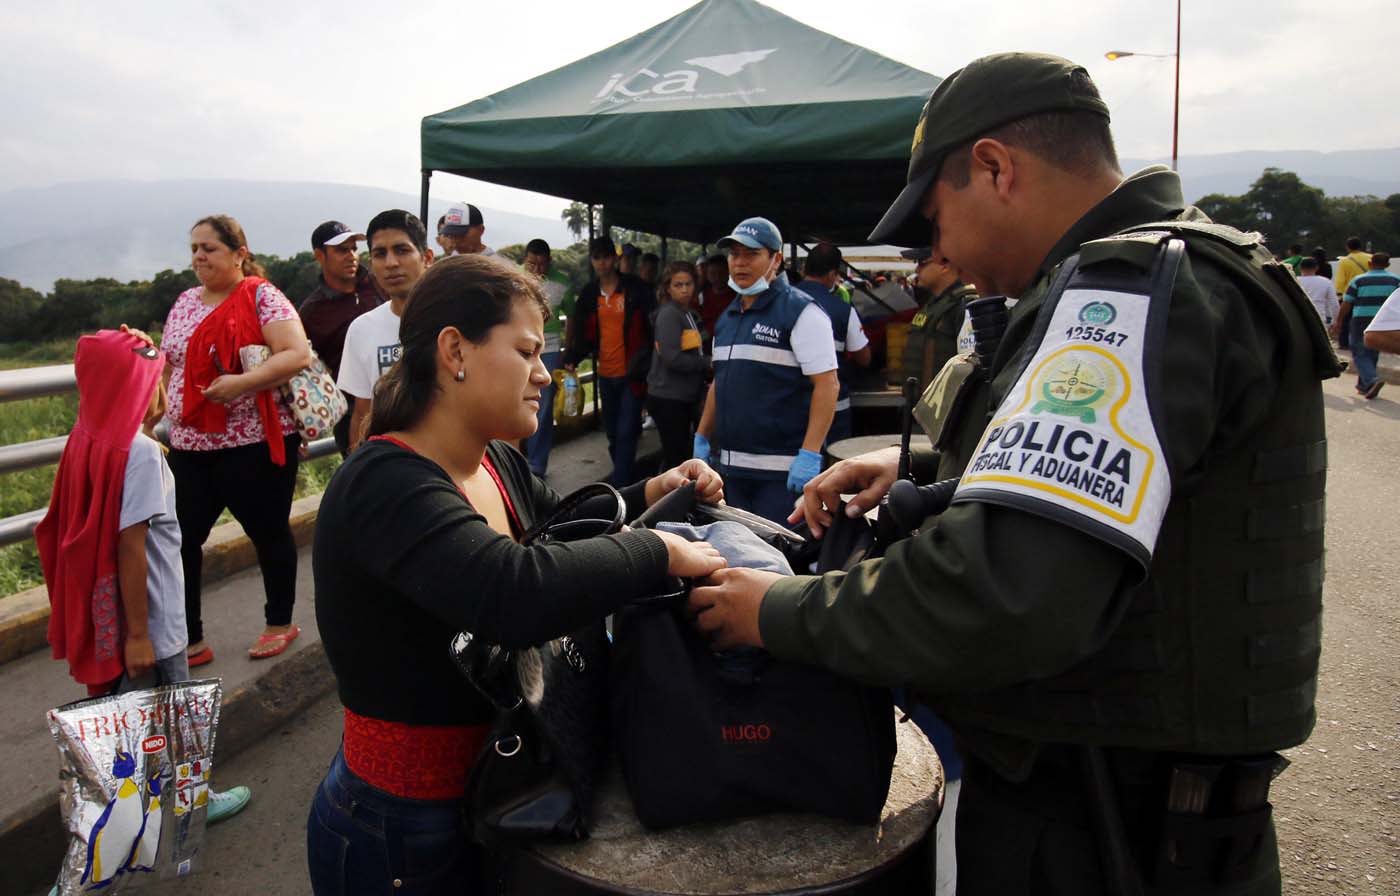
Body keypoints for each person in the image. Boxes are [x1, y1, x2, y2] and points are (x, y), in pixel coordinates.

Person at [687, 53, 1338, 896]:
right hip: (1122, 806)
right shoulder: (1154, 281)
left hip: (1109, 827)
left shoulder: (1126, 297)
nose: (941, 248)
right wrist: (940, 477)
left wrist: (775, 612)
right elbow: (1130, 503)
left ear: (995, 167)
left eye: (936, 217)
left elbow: (1004, 592)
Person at [305, 253, 727, 896]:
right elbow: (513, 590)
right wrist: (659, 552)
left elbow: (561, 533)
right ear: (455, 351)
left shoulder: (494, 459)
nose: (544, 373)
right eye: (527, 352)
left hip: (496, 793)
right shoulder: (384, 483)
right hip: (398, 824)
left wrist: (651, 495)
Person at [35, 331, 252, 894]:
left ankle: (175, 811)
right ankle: (96, 863)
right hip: (153, 622)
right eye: (154, 383)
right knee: (162, 730)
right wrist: (139, 635)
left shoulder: (89, 438)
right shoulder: (141, 454)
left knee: (128, 730)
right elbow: (133, 544)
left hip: (119, 618)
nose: (163, 393)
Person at [162, 215, 312, 666]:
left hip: (253, 444)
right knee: (180, 540)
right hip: (189, 445)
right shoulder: (186, 301)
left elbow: (297, 352)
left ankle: (280, 622)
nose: (199, 257)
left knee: (267, 533)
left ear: (239, 253)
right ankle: (189, 637)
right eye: (194, 249)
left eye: (209, 248)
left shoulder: (262, 297)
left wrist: (241, 383)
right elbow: (170, 362)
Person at [694, 217, 839, 524]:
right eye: (734, 255)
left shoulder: (801, 313)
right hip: (731, 472)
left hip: (782, 476)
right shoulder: (728, 319)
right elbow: (720, 383)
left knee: (776, 564)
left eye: (752, 254)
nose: (740, 263)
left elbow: (827, 386)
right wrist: (702, 437)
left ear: (776, 259)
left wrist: (810, 455)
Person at [338, 210, 434, 452]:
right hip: (391, 465)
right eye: (380, 254)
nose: (391, 263)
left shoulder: (460, 320)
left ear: (427, 257)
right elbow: (363, 410)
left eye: (402, 250)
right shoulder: (361, 329)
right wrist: (356, 465)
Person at [563, 236, 655, 485]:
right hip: (606, 374)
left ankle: (622, 484)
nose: (602, 263)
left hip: (632, 374)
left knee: (626, 432)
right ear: (592, 261)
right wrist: (572, 357)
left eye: (606, 257)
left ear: (615, 259)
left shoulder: (636, 289)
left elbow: (650, 326)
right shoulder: (590, 294)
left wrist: (649, 360)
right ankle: (625, 475)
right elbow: (583, 333)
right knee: (613, 433)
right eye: (597, 258)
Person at [298, 221, 384, 455]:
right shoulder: (311, 312)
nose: (351, 256)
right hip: (350, 413)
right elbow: (303, 373)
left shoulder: (381, 285)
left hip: (399, 400)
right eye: (341, 250)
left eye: (353, 249)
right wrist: (301, 427)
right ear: (319, 255)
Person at [792, 242, 870, 443]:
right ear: (832, 274)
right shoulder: (843, 309)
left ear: (804, 269)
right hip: (833, 412)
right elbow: (864, 357)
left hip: (791, 408)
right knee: (833, 470)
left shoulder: (782, 304)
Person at [521, 238, 577, 476]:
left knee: (542, 410)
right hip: (521, 350)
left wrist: (568, 348)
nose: (536, 269)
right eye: (532, 263)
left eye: (541, 264)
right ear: (525, 260)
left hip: (551, 350)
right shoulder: (516, 278)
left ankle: (536, 465)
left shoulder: (562, 282)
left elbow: (572, 318)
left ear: (549, 262)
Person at [647, 261, 708, 469]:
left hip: (684, 396)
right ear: (668, 288)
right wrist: (705, 363)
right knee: (676, 457)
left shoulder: (688, 313)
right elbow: (671, 357)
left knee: (680, 453)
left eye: (688, 284)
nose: (684, 289)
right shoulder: (669, 315)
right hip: (668, 397)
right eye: (678, 285)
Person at [901, 247, 980, 393]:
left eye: (922, 263)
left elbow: (972, 366)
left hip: (949, 409)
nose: (917, 270)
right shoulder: (936, 303)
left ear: (944, 265)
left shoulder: (964, 304)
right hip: (925, 404)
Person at [1331, 251, 1397, 399]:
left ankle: (1372, 379)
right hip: (1384, 321)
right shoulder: (1395, 280)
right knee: (1372, 350)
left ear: (1370, 263)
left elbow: (1347, 302)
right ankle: (1364, 385)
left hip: (1361, 318)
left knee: (1358, 350)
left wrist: (1339, 321)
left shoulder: (1358, 280)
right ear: (1387, 265)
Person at [697, 251, 737, 339]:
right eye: (713, 273)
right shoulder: (700, 297)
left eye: (721, 273)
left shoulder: (737, 298)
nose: (717, 277)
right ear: (707, 275)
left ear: (728, 273)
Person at [1296, 256, 1338, 325]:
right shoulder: (1326, 282)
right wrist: (1336, 321)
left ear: (1300, 268)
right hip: (1319, 318)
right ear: (1317, 268)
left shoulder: (1294, 282)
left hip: (1299, 318)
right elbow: (1334, 304)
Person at [1362, 283, 1400, 354]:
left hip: (1361, 315)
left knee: (1363, 353)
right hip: (1382, 319)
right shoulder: (1393, 279)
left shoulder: (1359, 279)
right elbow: (1373, 336)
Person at [1333, 236, 1371, 301]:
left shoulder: (1344, 261)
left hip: (1351, 293)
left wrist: (1339, 294)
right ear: (1360, 246)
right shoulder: (1371, 257)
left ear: (1347, 247)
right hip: (1369, 291)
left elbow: (1340, 281)